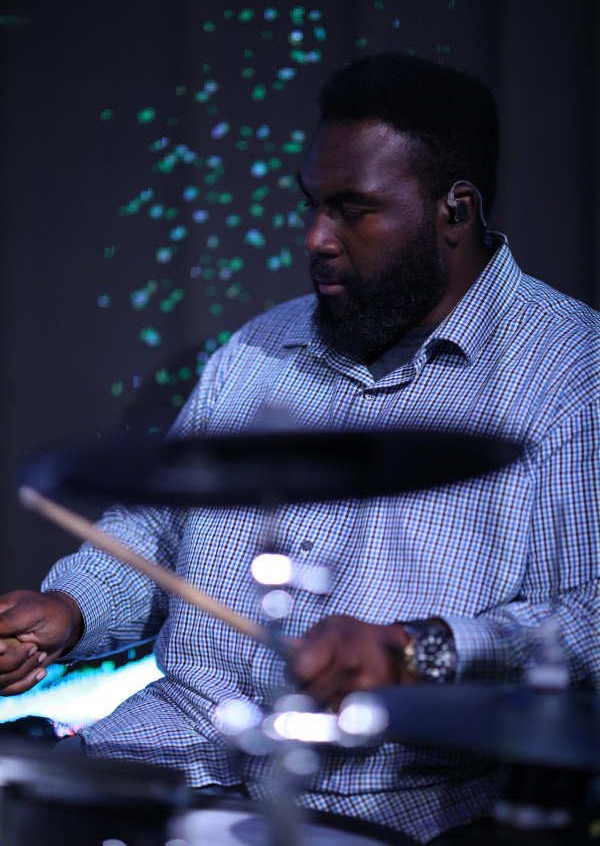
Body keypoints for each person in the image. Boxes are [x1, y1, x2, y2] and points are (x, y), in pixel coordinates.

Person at [0, 53, 598, 845]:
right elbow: (154, 538)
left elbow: (591, 619)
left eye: (354, 210)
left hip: (376, 802)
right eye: (312, 204)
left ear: (454, 211)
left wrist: (414, 651)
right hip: (168, 754)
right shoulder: (257, 351)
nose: (316, 238)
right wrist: (71, 610)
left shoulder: (570, 373)